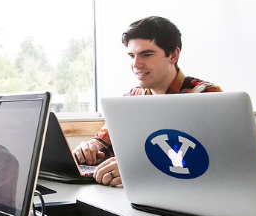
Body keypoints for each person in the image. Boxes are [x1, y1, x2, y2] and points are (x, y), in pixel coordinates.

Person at [73, 16, 221, 186]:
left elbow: (215, 162)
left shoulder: (206, 95)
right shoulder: (130, 99)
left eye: (146, 54)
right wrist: (90, 150)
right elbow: (102, 143)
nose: (136, 64)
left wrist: (138, 169)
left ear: (173, 55)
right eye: (131, 56)